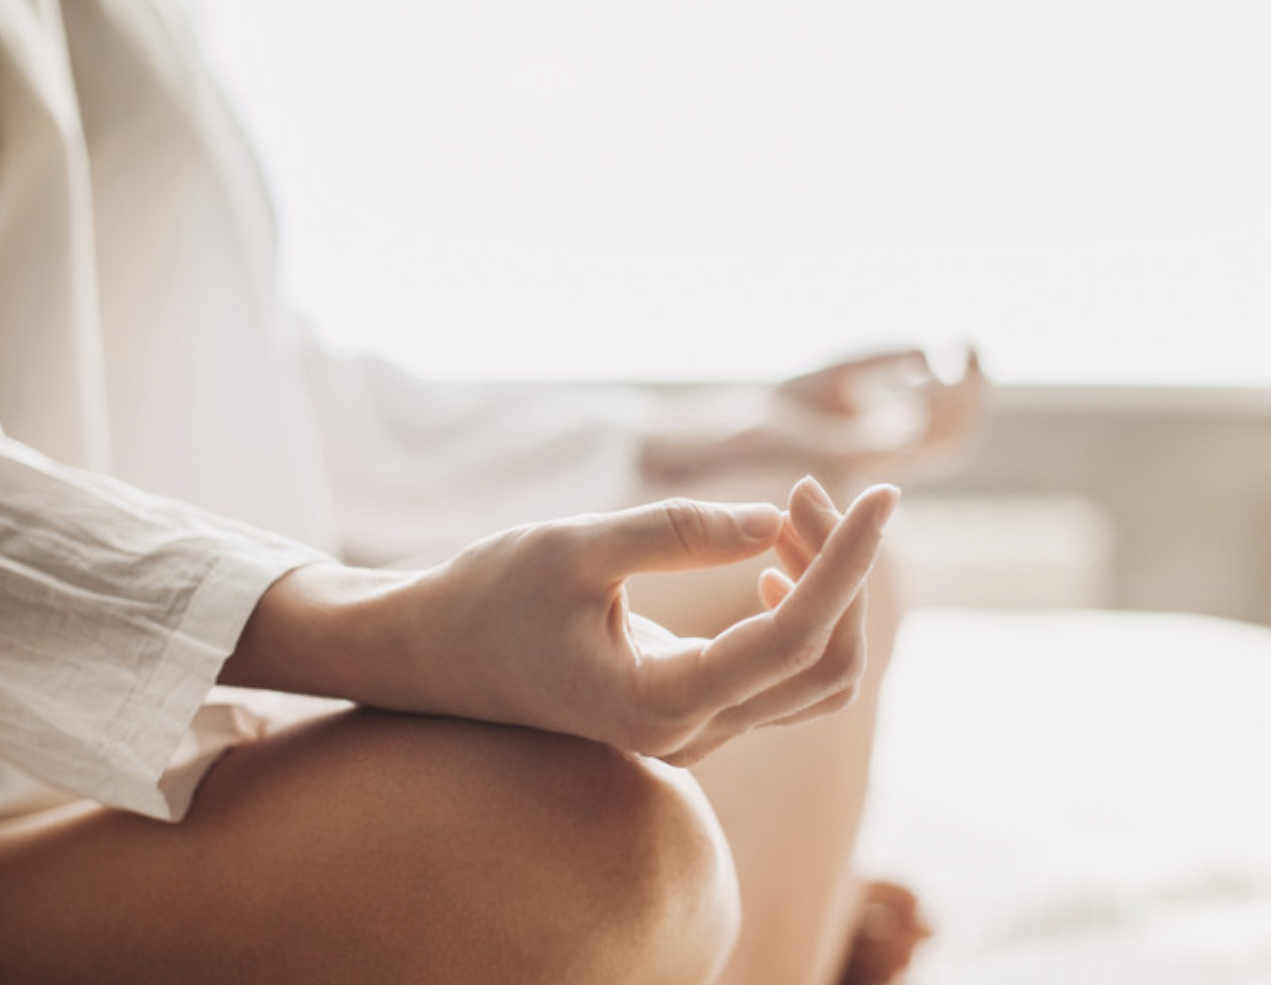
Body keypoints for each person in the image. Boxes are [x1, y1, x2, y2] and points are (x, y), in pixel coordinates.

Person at [0, 1, 983, 983]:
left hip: (202, 710)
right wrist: (376, 629)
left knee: (800, 558)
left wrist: (698, 438)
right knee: (605, 850)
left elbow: (254, 379)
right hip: (29, 791)